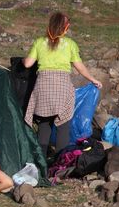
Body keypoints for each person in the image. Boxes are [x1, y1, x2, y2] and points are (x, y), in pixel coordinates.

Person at [23, 11, 102, 157]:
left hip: (43, 86)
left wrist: (22, 60)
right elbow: (79, 66)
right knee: (63, 126)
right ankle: (60, 161)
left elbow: (28, 64)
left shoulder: (40, 42)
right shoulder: (70, 44)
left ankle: (41, 161)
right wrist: (93, 79)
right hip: (62, 87)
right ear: (65, 27)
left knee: (44, 124)